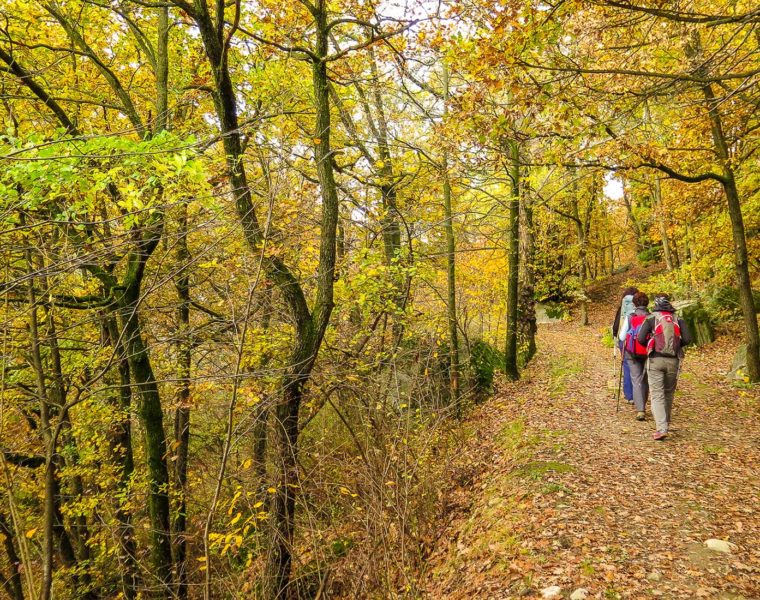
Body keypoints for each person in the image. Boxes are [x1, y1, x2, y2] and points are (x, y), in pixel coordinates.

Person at [637, 294, 692, 440]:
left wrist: (652, 343)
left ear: (656, 305)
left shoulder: (651, 318)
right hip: (673, 360)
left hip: (655, 360)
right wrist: (676, 346)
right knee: (668, 392)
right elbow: (687, 339)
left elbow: (640, 338)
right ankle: (665, 423)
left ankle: (662, 428)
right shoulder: (678, 319)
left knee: (657, 394)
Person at [618, 292, 650, 421]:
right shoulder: (651, 316)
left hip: (631, 352)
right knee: (645, 379)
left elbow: (622, 337)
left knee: (636, 379)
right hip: (648, 352)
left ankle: (640, 410)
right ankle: (644, 402)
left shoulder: (630, 317)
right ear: (647, 303)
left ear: (634, 303)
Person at [612, 286, 638, 404]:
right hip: (638, 340)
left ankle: (629, 395)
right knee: (639, 367)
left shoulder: (622, 307)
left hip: (624, 340)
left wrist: (615, 336)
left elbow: (616, 325)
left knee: (627, 366)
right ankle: (640, 394)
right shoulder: (639, 306)